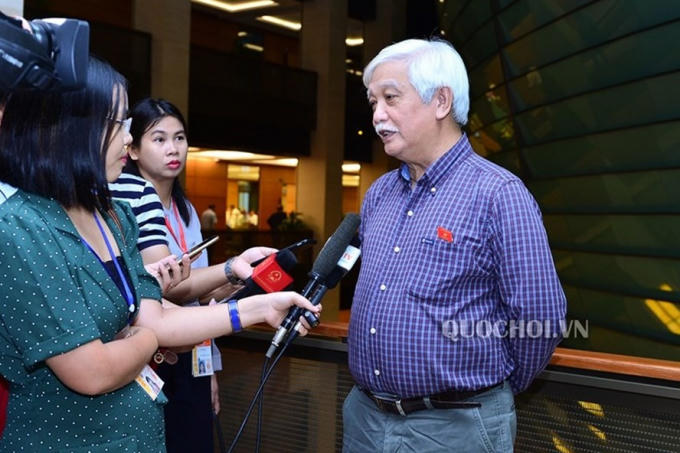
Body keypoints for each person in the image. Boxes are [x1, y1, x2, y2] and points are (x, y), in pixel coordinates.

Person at [0, 57, 319, 452]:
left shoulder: (112, 216)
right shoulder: (23, 227)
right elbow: (92, 371)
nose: (127, 139)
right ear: (71, 127)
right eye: (118, 123)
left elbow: (156, 316)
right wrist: (150, 338)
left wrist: (259, 308)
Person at [343, 39, 566, 452]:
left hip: (456, 427)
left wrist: (492, 391)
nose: (377, 115)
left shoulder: (498, 194)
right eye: (373, 102)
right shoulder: (378, 194)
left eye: (391, 98)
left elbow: (541, 317)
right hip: (366, 418)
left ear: (441, 101)